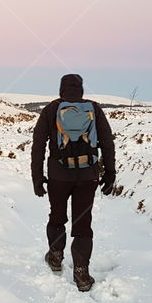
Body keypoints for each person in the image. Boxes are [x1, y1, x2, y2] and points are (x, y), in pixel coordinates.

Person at [30, 74, 116, 291]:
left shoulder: (51, 110)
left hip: (59, 176)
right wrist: (110, 173)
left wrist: (37, 178)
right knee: (83, 223)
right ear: (81, 89)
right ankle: (82, 274)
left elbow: (38, 145)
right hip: (88, 176)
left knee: (57, 217)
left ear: (61, 89)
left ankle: (56, 256)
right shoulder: (94, 109)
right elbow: (107, 142)